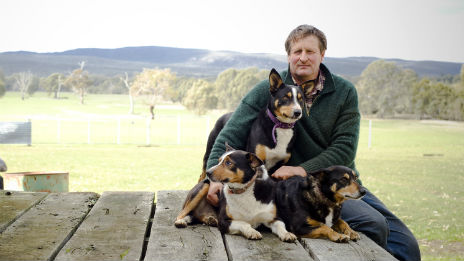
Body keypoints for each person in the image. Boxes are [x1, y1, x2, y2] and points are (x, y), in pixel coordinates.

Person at [204, 25, 420, 261]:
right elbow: (231, 131)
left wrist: (301, 168)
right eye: (297, 51)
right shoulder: (269, 90)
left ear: (322, 54)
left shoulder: (344, 92)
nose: (303, 57)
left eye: (310, 51)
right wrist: (212, 179)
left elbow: (344, 149)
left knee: (406, 245)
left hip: (336, 181)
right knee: (374, 224)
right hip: (298, 190)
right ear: (288, 56)